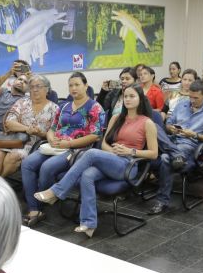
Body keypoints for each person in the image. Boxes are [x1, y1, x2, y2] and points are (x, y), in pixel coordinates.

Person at [34, 85, 158, 237]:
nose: (128, 99)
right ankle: (88, 223)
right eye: (125, 96)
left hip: (128, 165)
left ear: (140, 99)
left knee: (91, 153)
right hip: (112, 159)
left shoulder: (147, 123)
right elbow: (104, 143)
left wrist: (130, 151)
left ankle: (57, 191)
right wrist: (111, 151)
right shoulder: (116, 118)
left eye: (132, 96)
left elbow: (153, 154)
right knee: (87, 175)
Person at [21, 72, 103, 227]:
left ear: (86, 86)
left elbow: (96, 135)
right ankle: (34, 208)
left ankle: (41, 206)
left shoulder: (95, 107)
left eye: (77, 84)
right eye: (71, 85)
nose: (73, 88)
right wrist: (51, 137)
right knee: (27, 163)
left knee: (47, 167)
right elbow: (53, 128)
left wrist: (69, 144)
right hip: (54, 146)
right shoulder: (64, 105)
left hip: (77, 149)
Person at [147, 80, 203, 215]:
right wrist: (171, 128)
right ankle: (176, 154)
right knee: (154, 127)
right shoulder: (182, 104)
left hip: (189, 143)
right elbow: (168, 124)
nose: (192, 100)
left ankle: (162, 201)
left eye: (196, 98)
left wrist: (195, 134)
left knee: (164, 158)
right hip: (171, 140)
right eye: (190, 97)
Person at [0, 75, 58, 178]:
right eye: (32, 87)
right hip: (14, 139)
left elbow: (54, 133)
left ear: (47, 89)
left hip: (35, 143)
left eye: (38, 86)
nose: (34, 89)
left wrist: (39, 133)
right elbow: (9, 122)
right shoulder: (22, 102)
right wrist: (27, 129)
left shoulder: (55, 109)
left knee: (13, 156)